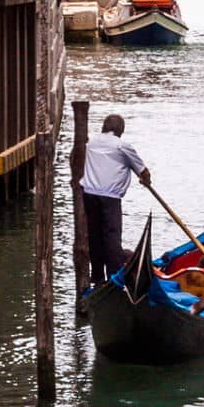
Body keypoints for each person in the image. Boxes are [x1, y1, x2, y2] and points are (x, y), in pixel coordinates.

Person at [80, 112, 151, 288]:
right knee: (112, 236)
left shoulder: (91, 143)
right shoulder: (122, 146)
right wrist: (145, 181)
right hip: (109, 197)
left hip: (89, 194)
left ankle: (97, 277)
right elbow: (144, 171)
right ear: (120, 130)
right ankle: (114, 278)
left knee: (95, 236)